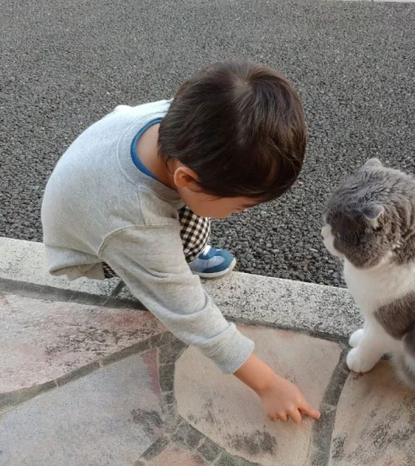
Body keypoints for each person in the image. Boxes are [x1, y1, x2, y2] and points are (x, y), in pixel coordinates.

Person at [41, 62, 320, 423]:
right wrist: (268, 384)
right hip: (88, 249)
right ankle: (179, 259)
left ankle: (179, 249)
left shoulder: (186, 122)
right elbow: (190, 313)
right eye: (239, 207)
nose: (241, 213)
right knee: (167, 271)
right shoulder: (134, 222)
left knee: (186, 215)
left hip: (99, 196)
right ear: (185, 177)